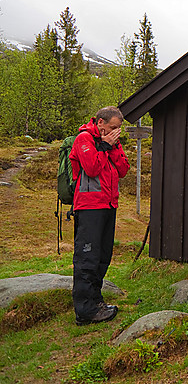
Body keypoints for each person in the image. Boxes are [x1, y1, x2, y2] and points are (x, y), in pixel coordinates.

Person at [69, 106, 130, 325]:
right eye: (113, 127)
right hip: (89, 207)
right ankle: (85, 310)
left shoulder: (111, 143)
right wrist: (105, 146)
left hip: (108, 204)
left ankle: (95, 301)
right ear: (100, 122)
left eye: (119, 128)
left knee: (102, 257)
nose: (116, 132)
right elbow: (92, 168)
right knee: (87, 258)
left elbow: (123, 169)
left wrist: (110, 147)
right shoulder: (83, 139)